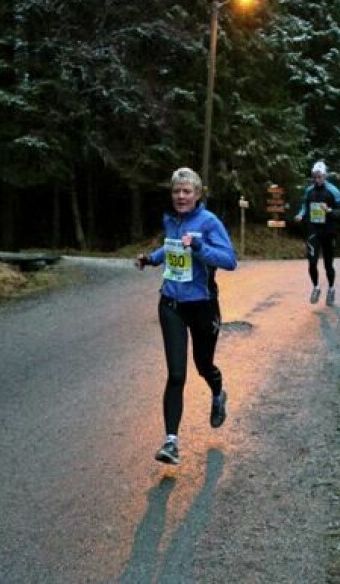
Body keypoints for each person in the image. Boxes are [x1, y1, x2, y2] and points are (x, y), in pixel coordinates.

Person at [135, 167, 237, 465]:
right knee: (176, 374)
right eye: (176, 191)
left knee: (203, 365)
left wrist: (201, 247)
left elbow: (229, 260)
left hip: (202, 305)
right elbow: (172, 247)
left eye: (186, 191)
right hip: (171, 304)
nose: (180, 196)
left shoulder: (209, 222)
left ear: (197, 194)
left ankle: (218, 394)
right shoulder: (172, 219)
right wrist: (152, 259)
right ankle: (171, 442)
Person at [293, 161, 340, 306]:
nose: (317, 180)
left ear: (324, 176)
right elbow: (305, 206)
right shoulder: (309, 191)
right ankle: (316, 287)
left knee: (328, 264)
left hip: (329, 231)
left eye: (319, 177)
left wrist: (329, 210)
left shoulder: (333, 191)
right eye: (314, 177)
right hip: (313, 231)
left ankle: (331, 288)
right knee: (312, 262)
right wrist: (300, 215)